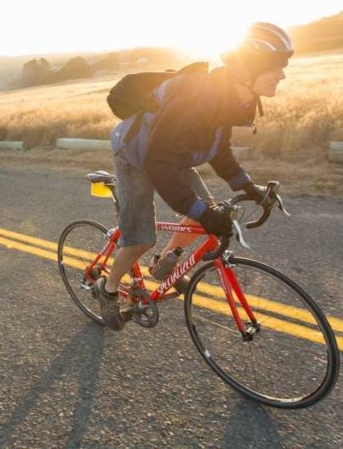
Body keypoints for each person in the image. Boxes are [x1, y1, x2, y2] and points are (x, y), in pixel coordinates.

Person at [96, 22, 294, 330]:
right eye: (275, 66)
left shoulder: (230, 96)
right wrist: (201, 211)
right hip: (136, 157)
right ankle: (107, 291)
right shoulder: (199, 99)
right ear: (249, 69)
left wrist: (247, 186)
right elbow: (158, 164)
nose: (282, 74)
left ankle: (164, 264)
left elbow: (218, 148)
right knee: (140, 240)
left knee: (202, 210)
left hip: (169, 156)